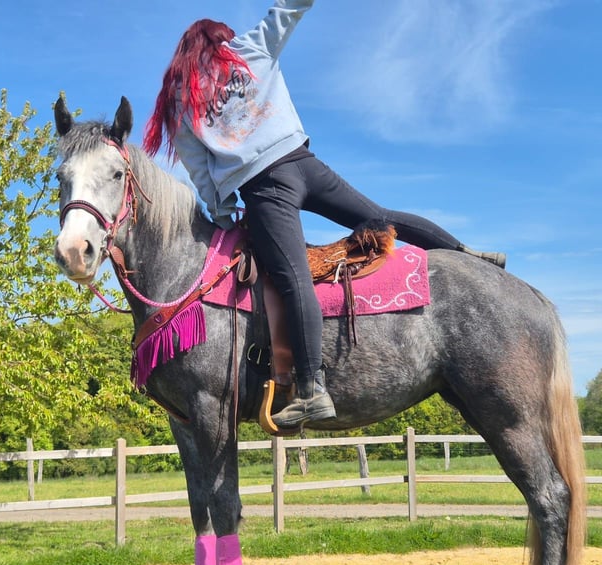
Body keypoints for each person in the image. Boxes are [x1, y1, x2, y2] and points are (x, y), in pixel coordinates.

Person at [143, 0, 505, 429]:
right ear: (221, 40)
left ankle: (313, 390)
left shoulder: (182, 101)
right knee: (379, 217)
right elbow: (287, 12)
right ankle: (468, 255)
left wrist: (223, 214)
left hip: (265, 189)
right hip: (303, 165)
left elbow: (200, 171)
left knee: (293, 279)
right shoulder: (248, 51)